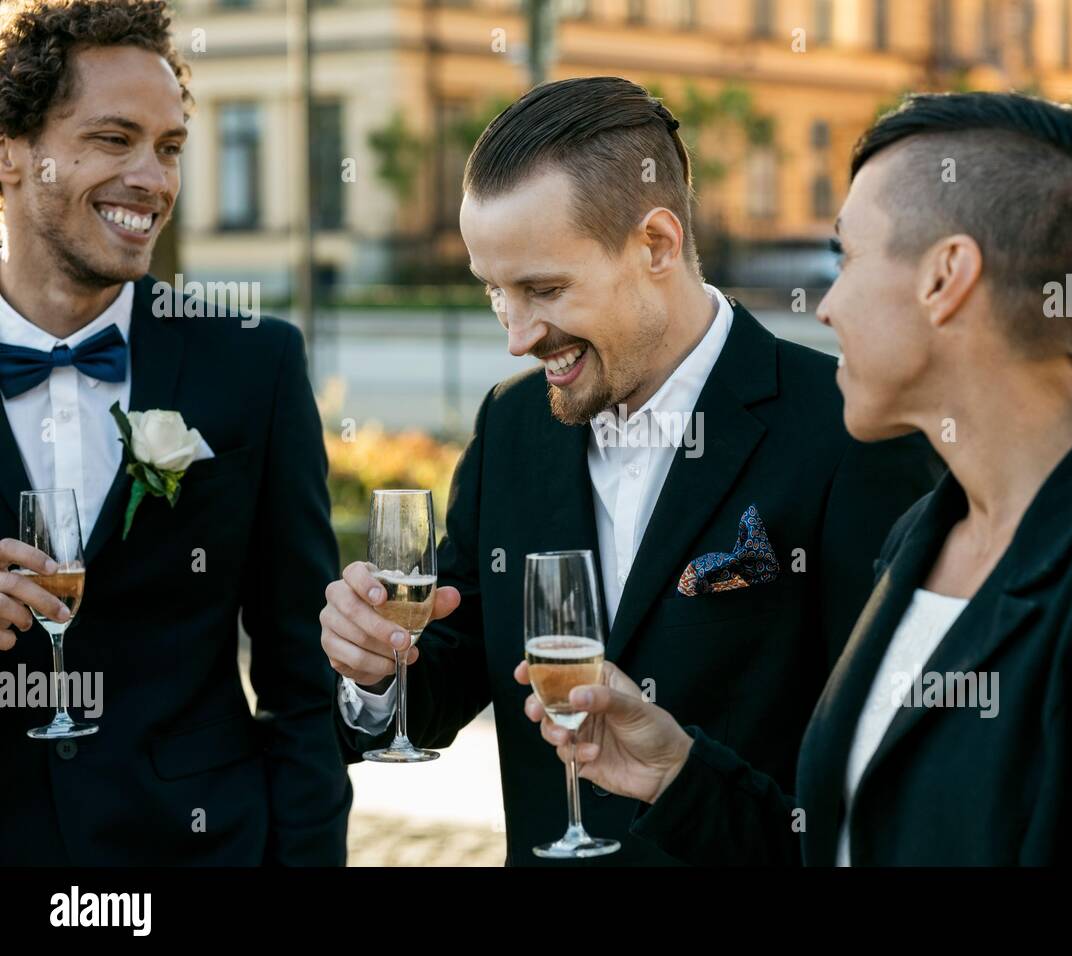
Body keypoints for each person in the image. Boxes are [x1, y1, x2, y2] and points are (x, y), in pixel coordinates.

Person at [521, 91, 1072, 866]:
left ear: (945, 277)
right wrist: (680, 775)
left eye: (848, 258)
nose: (826, 307)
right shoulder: (921, 537)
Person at [320, 76, 942, 865]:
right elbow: (456, 658)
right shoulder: (510, 425)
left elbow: (892, 792)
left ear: (656, 243)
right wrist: (375, 670)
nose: (517, 335)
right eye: (494, 294)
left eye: (543, 289)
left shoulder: (850, 429)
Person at [0, 0, 349, 865]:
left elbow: (303, 683)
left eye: (169, 148)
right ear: (11, 154)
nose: (152, 180)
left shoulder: (254, 362)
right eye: (114, 140)